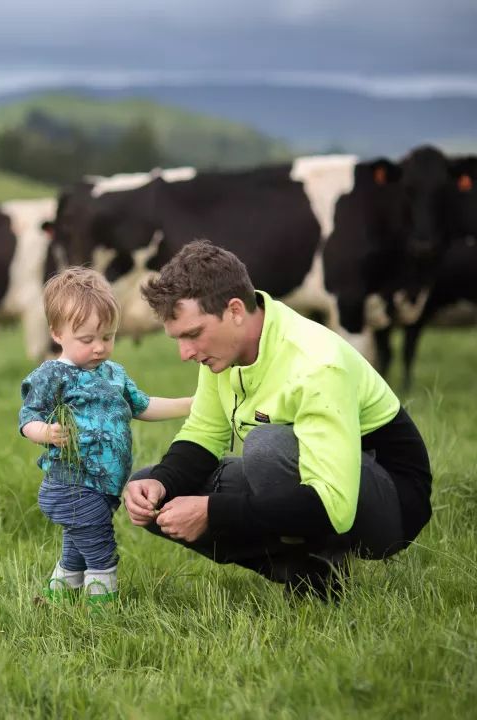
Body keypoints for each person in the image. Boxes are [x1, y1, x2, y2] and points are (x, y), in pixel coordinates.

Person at [121, 241, 433, 599]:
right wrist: (162, 483)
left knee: (266, 446)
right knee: (152, 487)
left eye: (192, 334)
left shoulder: (316, 362)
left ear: (235, 310)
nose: (185, 353)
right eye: (178, 339)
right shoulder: (225, 352)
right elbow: (204, 435)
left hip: (389, 503)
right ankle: (309, 573)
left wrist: (215, 512)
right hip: (316, 485)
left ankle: (319, 574)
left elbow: (335, 506)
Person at [19, 267, 193, 604]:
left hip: (105, 483)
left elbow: (142, 405)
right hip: (71, 482)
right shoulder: (53, 374)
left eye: (108, 337)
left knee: (76, 547)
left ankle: (58, 595)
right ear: (57, 334)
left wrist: (190, 404)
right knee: (100, 546)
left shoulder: (114, 373)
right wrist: (46, 433)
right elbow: (28, 418)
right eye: (87, 340)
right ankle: (103, 608)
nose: (99, 347)